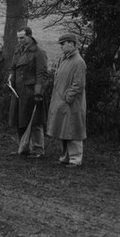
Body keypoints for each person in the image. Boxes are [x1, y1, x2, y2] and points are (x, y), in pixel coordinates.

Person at [8, 27, 50, 157]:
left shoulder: (39, 53)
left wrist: (38, 92)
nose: (19, 40)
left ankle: (38, 150)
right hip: (18, 91)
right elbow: (13, 68)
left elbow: (41, 75)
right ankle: (23, 148)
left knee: (35, 121)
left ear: (30, 36)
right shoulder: (18, 51)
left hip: (31, 92)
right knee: (20, 120)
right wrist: (10, 77)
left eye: (22, 38)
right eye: (18, 38)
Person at [47, 32, 87, 167]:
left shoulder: (78, 62)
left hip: (72, 103)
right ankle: (66, 157)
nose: (61, 47)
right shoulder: (65, 59)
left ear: (72, 44)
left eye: (63, 44)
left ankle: (75, 159)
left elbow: (78, 85)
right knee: (64, 130)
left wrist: (68, 98)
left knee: (73, 130)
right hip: (63, 102)